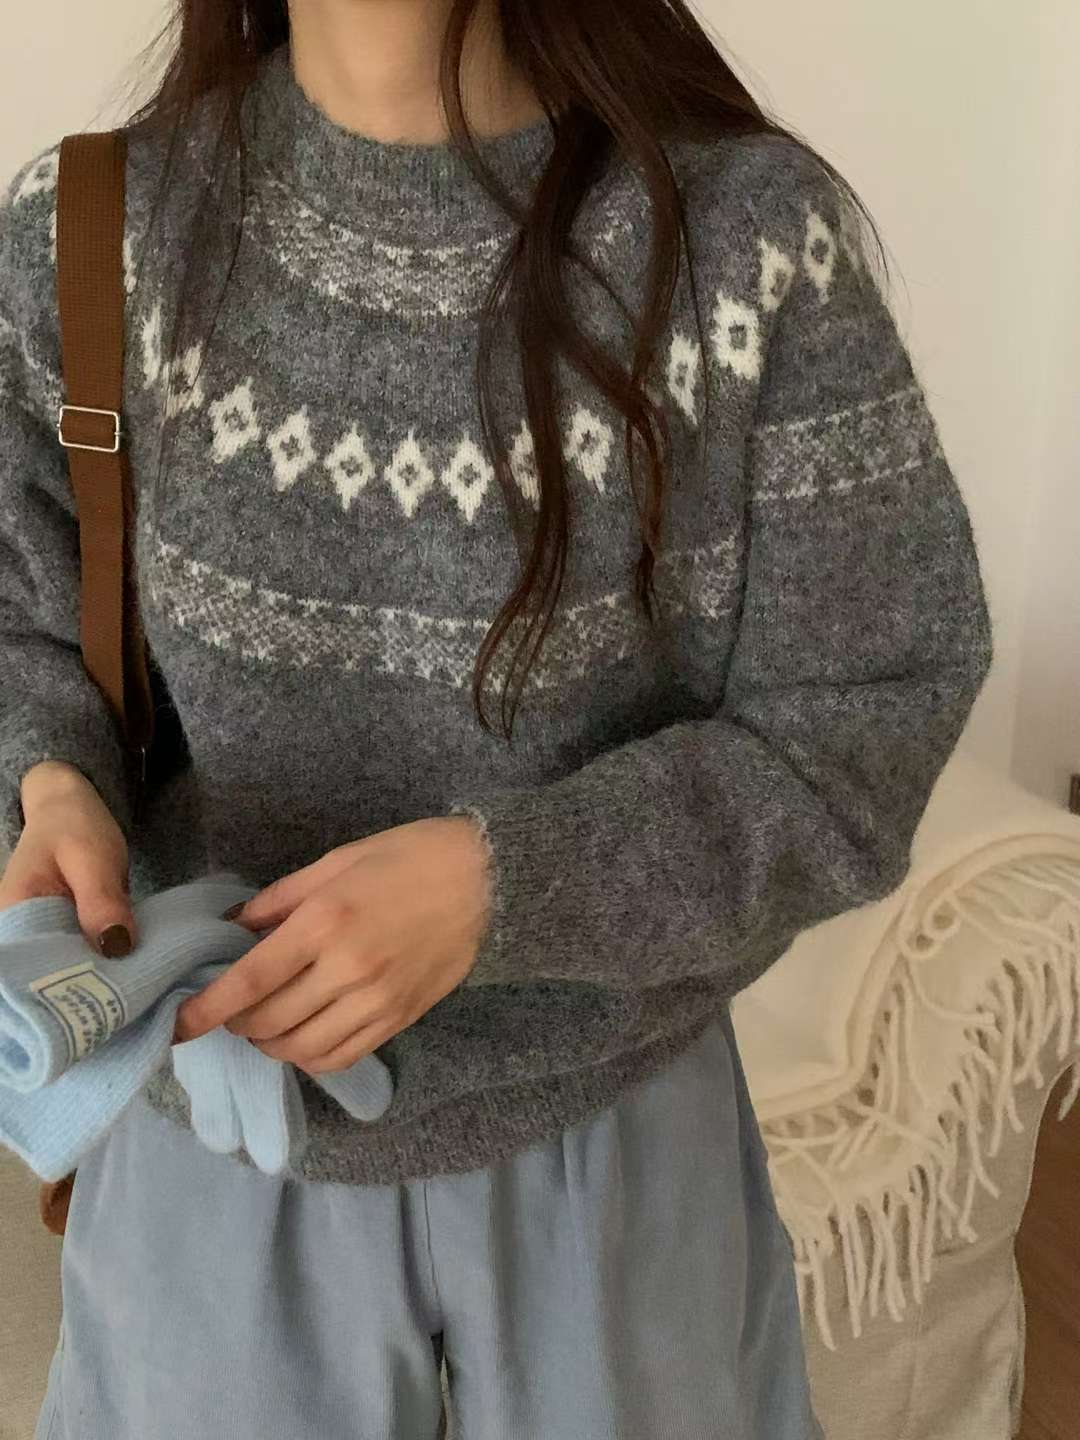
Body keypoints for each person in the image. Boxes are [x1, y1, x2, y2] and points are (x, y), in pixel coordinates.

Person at [0, 1, 994, 1437]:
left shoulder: (749, 246)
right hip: (213, 1135)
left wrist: (504, 886)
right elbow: (23, 612)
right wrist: (54, 780)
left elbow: (866, 721)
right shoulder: (88, 237)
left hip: (612, 1154)